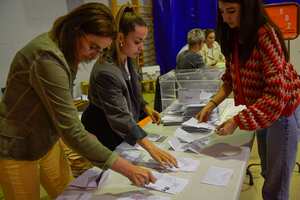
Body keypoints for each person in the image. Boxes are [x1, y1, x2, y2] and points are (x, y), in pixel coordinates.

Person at [0, 3, 156, 200]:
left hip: (47, 141)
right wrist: (128, 169)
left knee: (69, 193)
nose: (94, 55)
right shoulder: (47, 58)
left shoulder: (67, 49)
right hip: (17, 147)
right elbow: (71, 129)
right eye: (93, 47)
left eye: (100, 50)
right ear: (75, 31)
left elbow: (61, 108)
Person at [196, 0, 300, 199]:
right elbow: (229, 79)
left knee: (275, 186)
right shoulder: (233, 34)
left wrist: (236, 120)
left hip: (283, 112)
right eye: (222, 12)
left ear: (248, 8)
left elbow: (276, 95)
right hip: (261, 109)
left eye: (232, 11)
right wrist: (211, 104)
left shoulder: (265, 35)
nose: (225, 18)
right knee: (267, 173)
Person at [81, 4, 177, 168]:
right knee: (112, 171)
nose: (141, 48)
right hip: (104, 127)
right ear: (120, 38)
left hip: (121, 124)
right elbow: (119, 117)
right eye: (137, 41)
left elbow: (134, 90)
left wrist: (145, 107)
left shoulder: (129, 59)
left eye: (143, 42)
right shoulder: (106, 72)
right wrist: (151, 147)